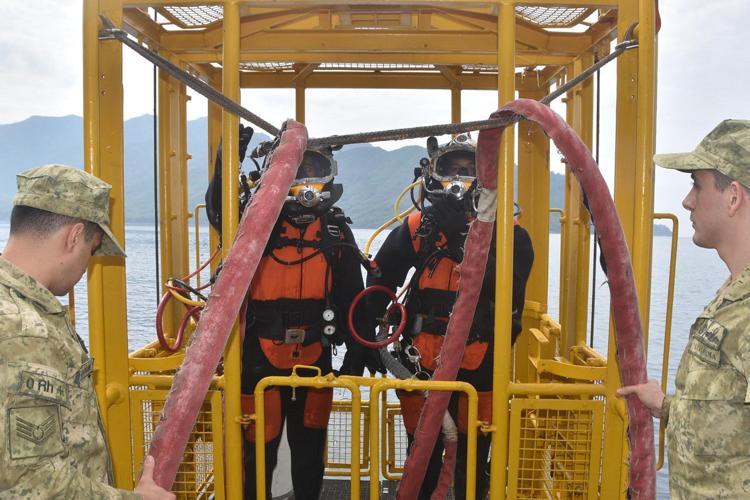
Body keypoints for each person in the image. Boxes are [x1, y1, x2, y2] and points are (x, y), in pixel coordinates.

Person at [367, 135, 534, 500]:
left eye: (470, 170)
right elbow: (380, 281)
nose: (460, 179)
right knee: (421, 458)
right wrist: (367, 341)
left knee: (472, 463)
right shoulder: (418, 228)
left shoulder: (511, 236)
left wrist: (462, 237)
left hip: (480, 366)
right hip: (420, 363)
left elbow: (507, 290)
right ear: (434, 175)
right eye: (452, 169)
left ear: (487, 177)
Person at [0, 165, 174, 499]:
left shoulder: (22, 308)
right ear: (74, 236)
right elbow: (33, 486)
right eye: (92, 250)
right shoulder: (24, 333)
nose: (86, 265)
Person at [618, 119, 750, 499]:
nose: (687, 201)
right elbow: (729, 413)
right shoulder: (732, 293)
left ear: (733, 197)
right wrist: (668, 407)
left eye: (697, 185)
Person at [239, 147, 377, 499]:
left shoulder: (335, 231)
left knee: (310, 454)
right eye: (296, 172)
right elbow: (217, 213)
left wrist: (358, 353)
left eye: (315, 172)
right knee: (256, 455)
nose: (306, 182)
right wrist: (226, 163)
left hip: (316, 354)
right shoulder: (254, 223)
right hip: (258, 358)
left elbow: (354, 297)